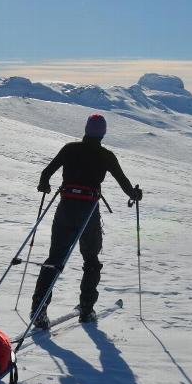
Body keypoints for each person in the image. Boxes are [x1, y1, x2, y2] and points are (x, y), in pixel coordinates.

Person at [30, 113, 142, 328]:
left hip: (65, 207)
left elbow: (46, 173)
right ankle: (87, 309)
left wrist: (45, 184)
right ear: (103, 133)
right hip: (88, 211)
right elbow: (125, 184)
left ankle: (39, 309)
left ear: (86, 129)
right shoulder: (106, 156)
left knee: (54, 259)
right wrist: (135, 195)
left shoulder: (69, 149)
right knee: (91, 260)